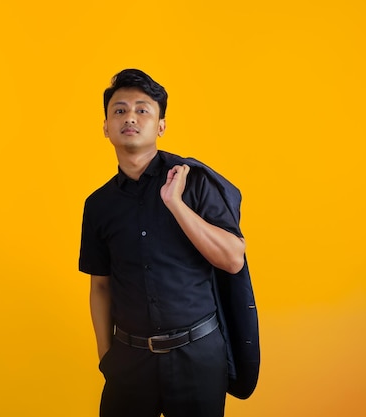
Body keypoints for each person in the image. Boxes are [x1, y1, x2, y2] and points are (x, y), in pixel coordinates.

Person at [79, 68, 248, 417]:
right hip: (129, 361)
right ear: (106, 127)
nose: (130, 117)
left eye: (143, 109)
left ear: (161, 126)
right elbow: (100, 287)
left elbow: (233, 259)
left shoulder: (193, 181)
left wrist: (176, 203)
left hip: (198, 356)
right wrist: (106, 357)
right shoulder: (98, 205)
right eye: (120, 110)